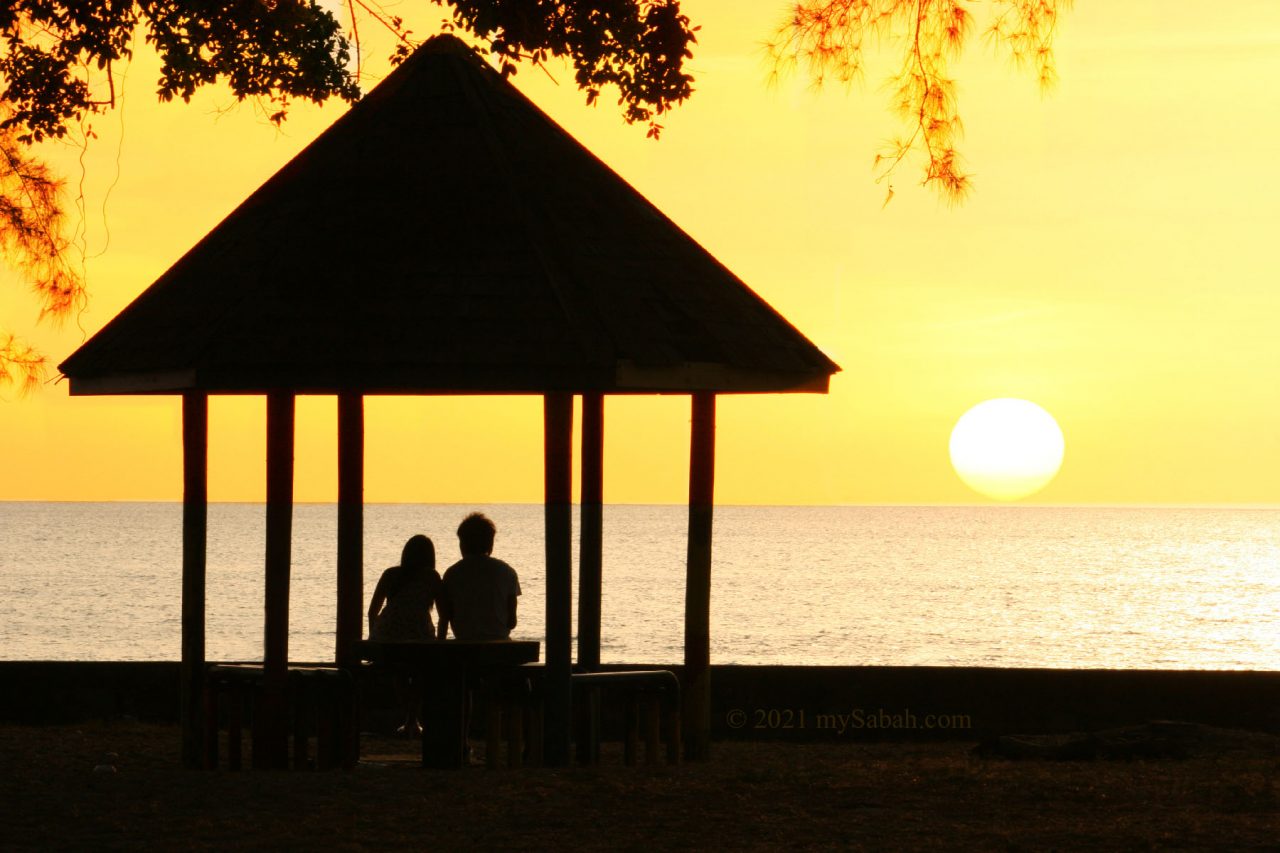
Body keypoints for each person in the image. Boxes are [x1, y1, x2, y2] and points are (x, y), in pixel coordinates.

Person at [367, 534, 445, 735]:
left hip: (387, 634)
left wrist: (373, 638)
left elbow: (372, 612)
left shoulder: (390, 574)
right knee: (420, 672)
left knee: (398, 671)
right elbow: (444, 615)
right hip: (419, 634)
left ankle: (410, 719)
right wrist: (441, 644)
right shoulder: (432, 577)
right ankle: (413, 720)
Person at [438, 512, 521, 640]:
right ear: (490, 543)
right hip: (498, 644)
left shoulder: (452, 573)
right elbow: (512, 622)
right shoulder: (508, 572)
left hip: (465, 643)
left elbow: (445, 618)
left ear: (463, 544)